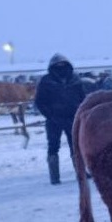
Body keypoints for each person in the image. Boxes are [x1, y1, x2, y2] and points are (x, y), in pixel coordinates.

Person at [33, 53, 87, 184]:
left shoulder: (75, 80)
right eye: (58, 66)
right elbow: (40, 102)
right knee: (53, 147)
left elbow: (82, 98)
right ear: (52, 67)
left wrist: (80, 112)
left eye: (63, 65)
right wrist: (50, 115)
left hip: (72, 119)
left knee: (76, 146)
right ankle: (54, 177)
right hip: (54, 120)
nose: (61, 68)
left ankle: (81, 173)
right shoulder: (46, 81)